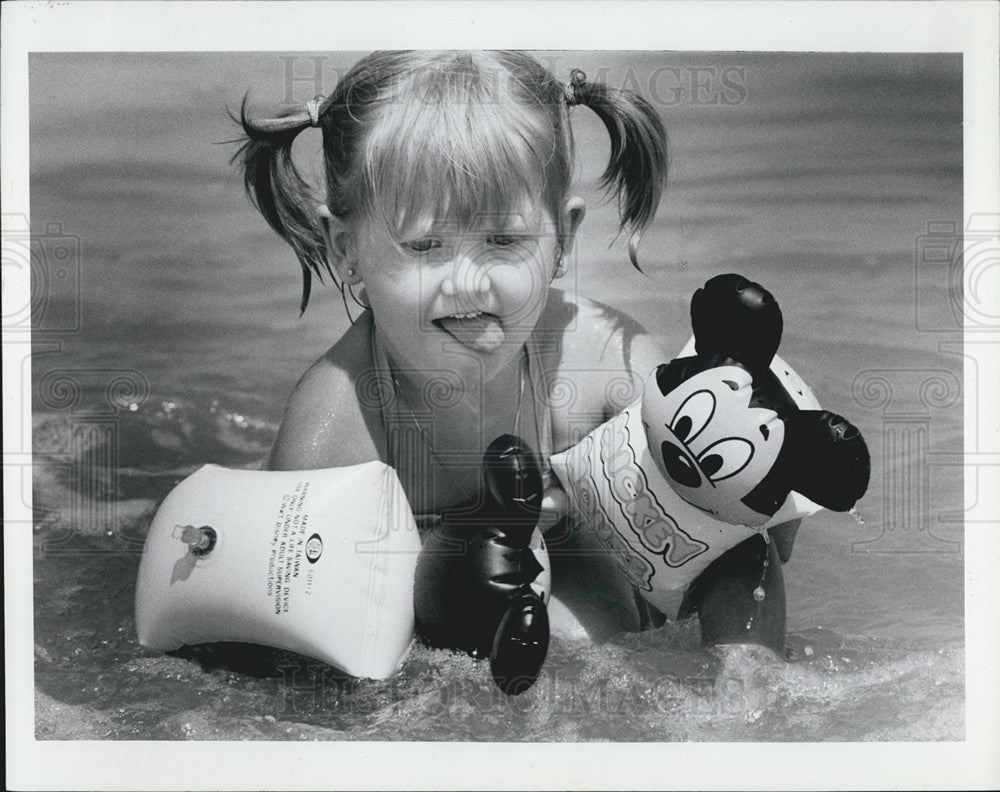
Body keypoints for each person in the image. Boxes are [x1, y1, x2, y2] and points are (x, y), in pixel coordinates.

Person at [234, 50, 797, 650]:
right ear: (346, 250)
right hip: (444, 601)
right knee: (470, 585)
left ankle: (746, 692)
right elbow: (286, 616)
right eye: (425, 246)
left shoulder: (602, 364)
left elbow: (764, 546)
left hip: (591, 584)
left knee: (729, 523)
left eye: (503, 240)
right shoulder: (340, 421)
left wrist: (763, 488)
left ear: (563, 239)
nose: (468, 283)